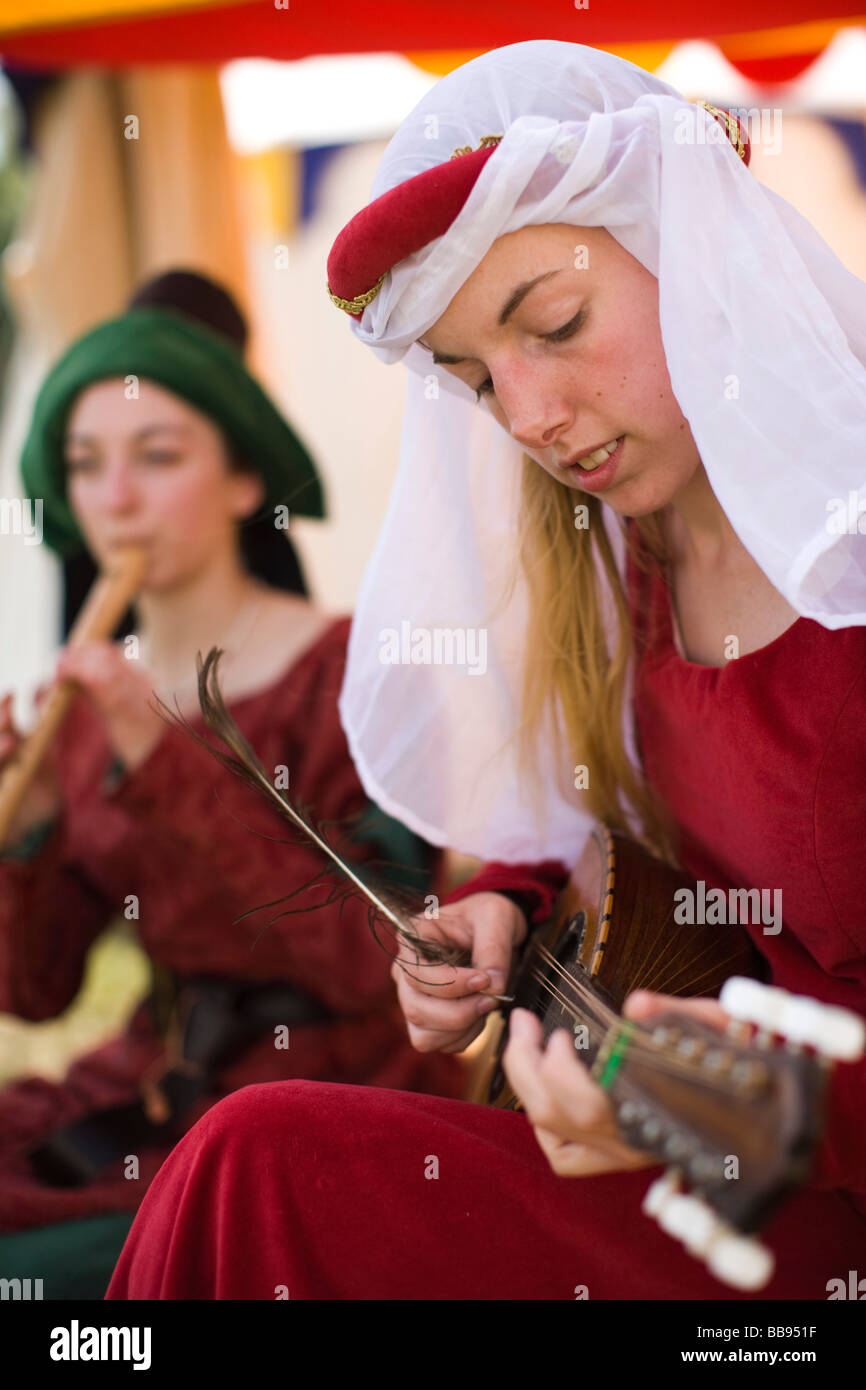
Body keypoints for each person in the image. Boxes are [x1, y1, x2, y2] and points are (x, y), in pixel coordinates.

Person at [105, 43, 866, 1301]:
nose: (523, 415)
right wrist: (507, 902)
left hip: (812, 1197)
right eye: (471, 376)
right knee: (242, 1160)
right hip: (690, 1155)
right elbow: (626, 833)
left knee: (254, 1164)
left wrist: (783, 1107)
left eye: (554, 323)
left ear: (695, 252)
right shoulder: (628, 561)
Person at [0, 269, 462, 1299]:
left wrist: (159, 756)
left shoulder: (352, 671)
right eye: (84, 465)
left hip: (330, 1094)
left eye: (156, 457)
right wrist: (26, 836)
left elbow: (376, 952)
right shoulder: (81, 705)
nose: (114, 495)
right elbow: (37, 994)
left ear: (245, 479)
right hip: (152, 1086)